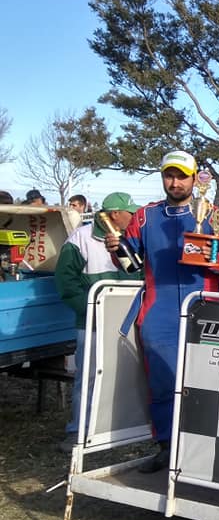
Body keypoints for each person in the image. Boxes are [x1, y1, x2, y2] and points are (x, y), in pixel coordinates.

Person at [106, 151, 219, 473]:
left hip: (204, 308)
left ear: (194, 179)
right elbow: (129, 263)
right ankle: (166, 447)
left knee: (207, 381)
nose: (175, 182)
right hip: (159, 310)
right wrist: (115, 249)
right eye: (169, 175)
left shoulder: (213, 214)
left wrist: (211, 259)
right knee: (163, 382)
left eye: (181, 176)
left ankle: (209, 448)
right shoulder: (145, 216)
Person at [54, 192, 141, 453]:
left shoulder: (134, 238)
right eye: (130, 213)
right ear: (115, 214)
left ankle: (115, 429)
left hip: (127, 322)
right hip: (91, 323)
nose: (134, 216)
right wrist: (91, 309)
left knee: (124, 374)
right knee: (88, 377)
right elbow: (66, 282)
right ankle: (78, 431)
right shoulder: (81, 238)